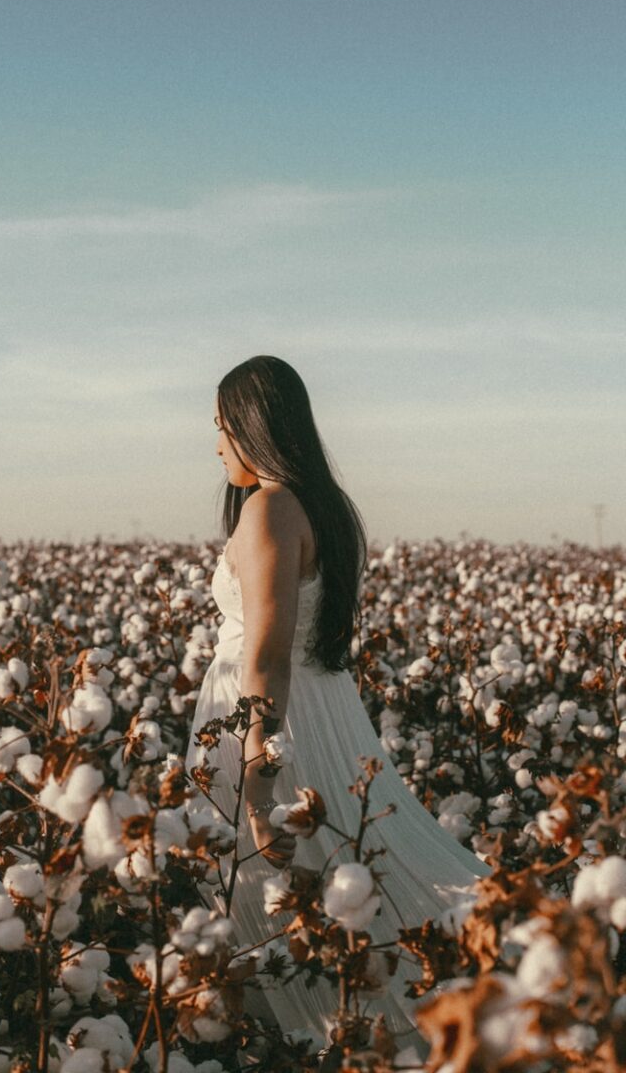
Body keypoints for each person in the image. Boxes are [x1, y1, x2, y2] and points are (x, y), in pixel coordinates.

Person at [185, 355, 488, 1050]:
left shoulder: (269, 512)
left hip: (275, 730)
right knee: (354, 871)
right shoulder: (322, 506)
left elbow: (264, 656)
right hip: (323, 710)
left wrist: (257, 795)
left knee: (295, 890)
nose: (217, 445)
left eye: (223, 427)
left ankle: (343, 1039)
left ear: (252, 427)